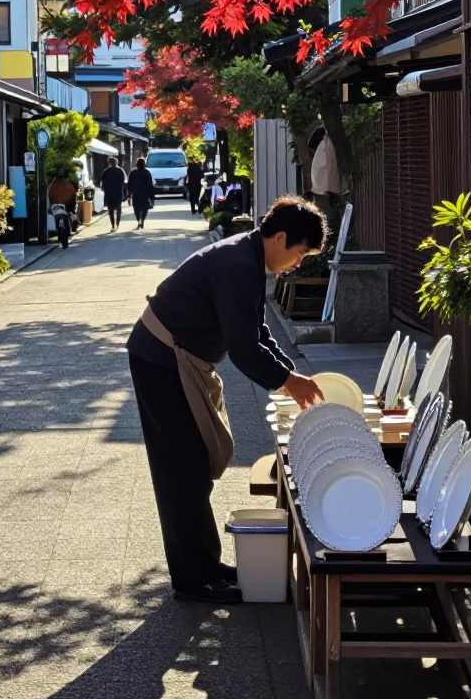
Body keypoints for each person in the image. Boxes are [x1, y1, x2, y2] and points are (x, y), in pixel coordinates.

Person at [127, 194, 327, 604]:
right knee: (182, 469)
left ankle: (204, 565)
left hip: (178, 358)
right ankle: (192, 580)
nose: (299, 263)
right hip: (161, 359)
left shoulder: (249, 259)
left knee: (195, 464)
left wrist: (291, 373)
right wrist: (289, 382)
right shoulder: (239, 264)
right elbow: (243, 347)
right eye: (301, 253)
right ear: (282, 237)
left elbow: (258, 333)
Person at [127, 156, 155, 229]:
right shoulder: (147, 172)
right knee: (144, 209)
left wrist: (129, 195)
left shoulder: (133, 172)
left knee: (136, 208)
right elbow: (150, 185)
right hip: (145, 194)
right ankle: (142, 221)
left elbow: (129, 184)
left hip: (136, 194)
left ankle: (139, 220)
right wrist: (152, 197)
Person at [100, 156, 127, 232]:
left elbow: (101, 183)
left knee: (111, 210)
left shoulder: (106, 171)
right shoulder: (120, 170)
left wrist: (105, 188)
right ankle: (117, 225)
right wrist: (125, 193)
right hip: (118, 193)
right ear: (116, 162)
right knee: (118, 210)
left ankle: (113, 225)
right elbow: (124, 183)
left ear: (109, 163)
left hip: (109, 194)